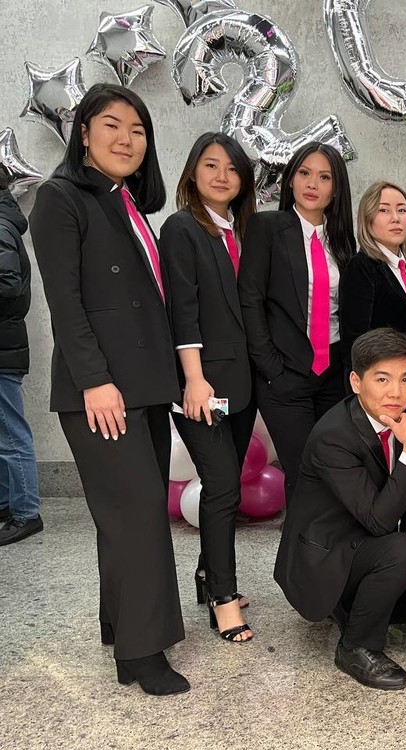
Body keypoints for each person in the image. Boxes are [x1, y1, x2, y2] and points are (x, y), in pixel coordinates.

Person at [29, 83, 188, 695]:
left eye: (138, 130)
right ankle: (142, 654)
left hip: (144, 388)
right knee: (140, 514)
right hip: (101, 391)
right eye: (112, 125)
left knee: (126, 516)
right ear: (84, 134)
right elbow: (65, 303)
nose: (126, 139)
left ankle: (119, 624)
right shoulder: (60, 198)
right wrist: (95, 380)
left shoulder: (126, 205)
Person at [274, 328, 406, 690]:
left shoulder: (403, 419)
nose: (396, 392)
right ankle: (356, 646)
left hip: (375, 549)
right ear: (356, 381)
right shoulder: (334, 436)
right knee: (399, 548)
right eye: (382, 379)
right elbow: (378, 521)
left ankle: (365, 609)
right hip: (328, 557)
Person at [159, 132, 257, 642]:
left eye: (232, 168)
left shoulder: (241, 231)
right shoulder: (182, 228)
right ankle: (223, 597)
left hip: (241, 385)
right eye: (211, 165)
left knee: (226, 484)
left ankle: (207, 574)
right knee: (221, 488)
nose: (222, 176)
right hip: (201, 383)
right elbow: (183, 309)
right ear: (193, 172)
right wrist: (194, 379)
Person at [239, 142, 356, 500]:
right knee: (304, 474)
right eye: (304, 173)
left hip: (333, 375)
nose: (312, 184)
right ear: (290, 179)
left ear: (336, 188)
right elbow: (250, 300)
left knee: (333, 471)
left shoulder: (342, 240)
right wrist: (272, 369)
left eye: (324, 177)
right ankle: (298, 539)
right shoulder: (266, 227)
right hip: (285, 374)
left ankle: (322, 539)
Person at [0, 165, 43, 546]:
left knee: (11, 433)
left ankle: (27, 512)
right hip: (5, 341)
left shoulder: (0, 226)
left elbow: (8, 285)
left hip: (4, 344)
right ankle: (6, 504)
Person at [340, 181, 406, 357]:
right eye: (384, 210)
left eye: (402, 210)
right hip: (385, 370)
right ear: (367, 218)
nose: (396, 218)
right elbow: (355, 342)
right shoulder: (360, 268)